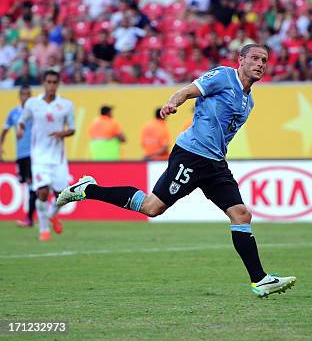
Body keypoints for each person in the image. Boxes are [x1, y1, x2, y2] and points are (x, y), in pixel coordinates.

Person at [56, 44, 296, 297]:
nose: (260, 63)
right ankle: (87, 189)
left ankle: (260, 280)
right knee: (152, 207)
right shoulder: (224, 76)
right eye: (255, 58)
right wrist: (172, 104)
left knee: (241, 214)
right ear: (241, 60)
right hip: (191, 155)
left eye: (264, 60)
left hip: (215, 164)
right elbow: (187, 91)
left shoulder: (250, 101)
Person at [16, 70, 75, 241]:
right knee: (42, 192)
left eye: (54, 82)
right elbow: (22, 120)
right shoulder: (33, 103)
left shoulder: (66, 105)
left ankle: (51, 214)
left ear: (58, 84)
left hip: (58, 158)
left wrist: (63, 133)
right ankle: (43, 230)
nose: (51, 85)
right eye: (48, 82)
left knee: (63, 195)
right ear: (43, 83)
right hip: (39, 157)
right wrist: (20, 128)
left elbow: (72, 128)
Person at [1, 85, 36, 227]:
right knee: (28, 185)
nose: (25, 97)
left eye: (28, 94)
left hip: (33, 153)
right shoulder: (13, 113)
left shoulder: (35, 112)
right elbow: (5, 130)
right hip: (20, 154)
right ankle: (34, 217)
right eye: (23, 94)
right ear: (19, 96)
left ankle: (30, 218)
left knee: (33, 184)